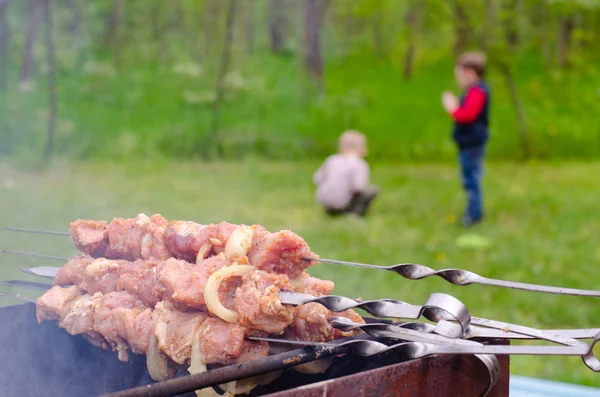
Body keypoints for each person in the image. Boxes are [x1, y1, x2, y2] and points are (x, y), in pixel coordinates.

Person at [441, 51, 490, 227]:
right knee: (469, 178)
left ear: (470, 73)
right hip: (468, 143)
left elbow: (467, 116)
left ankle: (474, 215)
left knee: (471, 180)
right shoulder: (474, 91)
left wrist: (452, 107)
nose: (458, 80)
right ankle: (473, 212)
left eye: (459, 75)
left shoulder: (477, 91)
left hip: (472, 143)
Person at [313, 130, 378, 217]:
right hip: (344, 204)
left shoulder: (331, 160)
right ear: (362, 149)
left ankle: (331, 211)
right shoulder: (360, 164)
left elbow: (317, 179)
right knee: (373, 190)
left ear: (341, 147)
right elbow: (358, 187)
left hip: (326, 204)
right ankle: (354, 213)